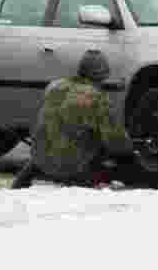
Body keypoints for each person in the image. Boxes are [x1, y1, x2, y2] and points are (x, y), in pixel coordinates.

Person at [12, 50, 133, 189]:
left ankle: (17, 186)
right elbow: (115, 141)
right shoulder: (97, 98)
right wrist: (132, 148)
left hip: (39, 161)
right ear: (102, 76)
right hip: (72, 167)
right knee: (101, 144)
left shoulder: (54, 87)